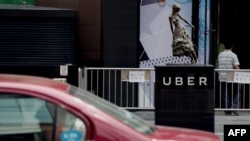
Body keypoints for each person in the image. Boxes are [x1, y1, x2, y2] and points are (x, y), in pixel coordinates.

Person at [217, 40, 241, 116]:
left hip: (222, 77)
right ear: (232, 46)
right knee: (237, 92)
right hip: (231, 77)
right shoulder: (233, 55)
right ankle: (233, 107)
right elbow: (236, 67)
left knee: (225, 94)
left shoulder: (220, 55)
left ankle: (227, 110)